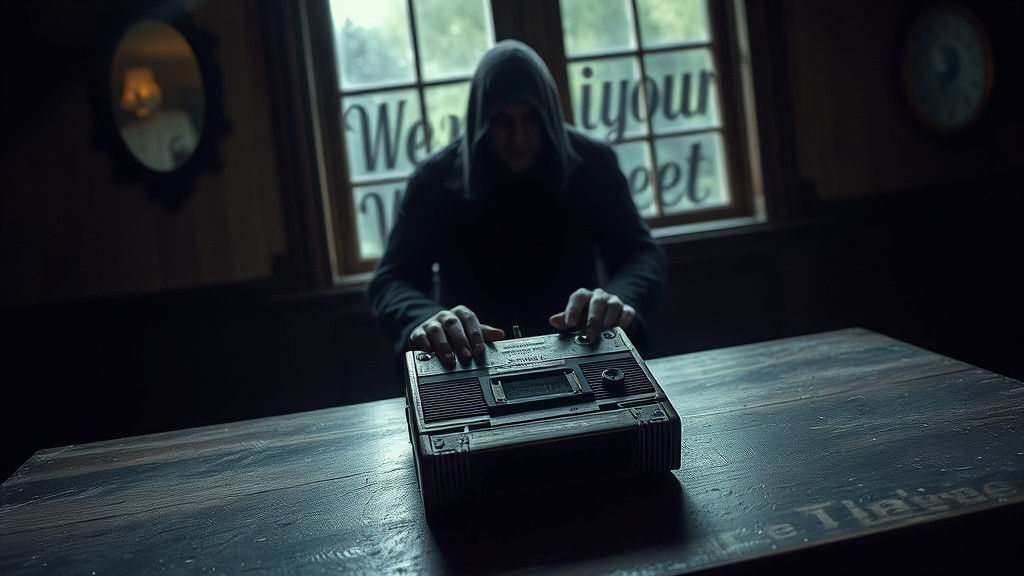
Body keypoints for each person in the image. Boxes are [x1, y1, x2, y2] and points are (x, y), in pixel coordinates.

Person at [367, 39, 666, 368]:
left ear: (548, 116)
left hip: (585, 354)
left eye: (531, 118)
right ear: (481, 120)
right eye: (502, 120)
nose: (518, 137)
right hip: (472, 366)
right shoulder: (434, 180)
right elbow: (391, 281)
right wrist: (429, 321)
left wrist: (617, 301)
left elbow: (640, 254)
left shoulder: (594, 164)